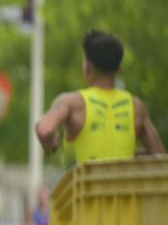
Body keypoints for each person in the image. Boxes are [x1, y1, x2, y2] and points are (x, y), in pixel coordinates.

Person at [35, 30, 165, 161]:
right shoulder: (136, 107)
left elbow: (45, 129)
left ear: (86, 67)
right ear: (119, 69)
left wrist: (49, 146)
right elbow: (160, 157)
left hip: (82, 182)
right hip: (122, 181)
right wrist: (131, 155)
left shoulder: (72, 103)